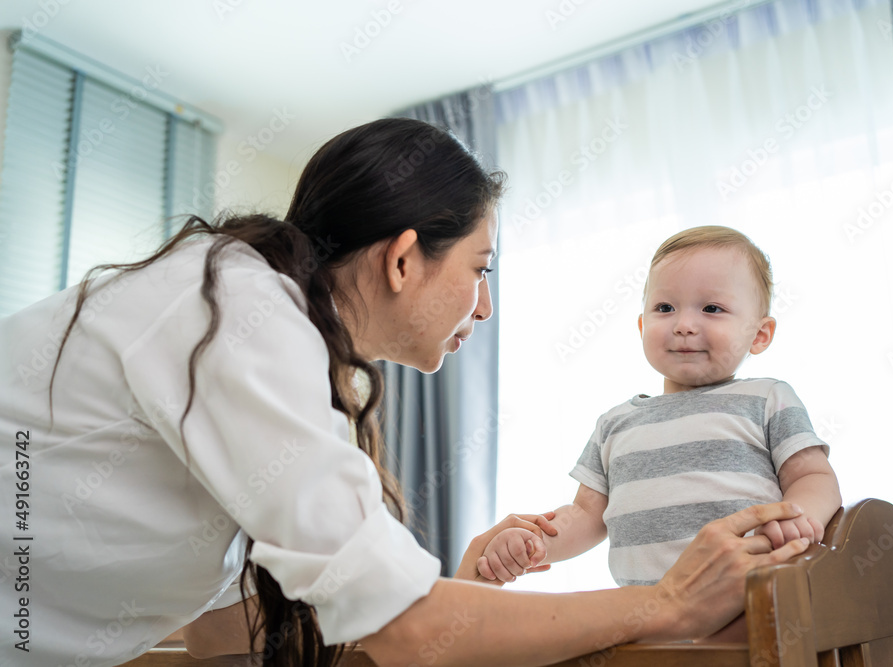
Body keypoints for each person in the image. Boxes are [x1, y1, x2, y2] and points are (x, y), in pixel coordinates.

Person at [0, 121, 812, 667]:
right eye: (480, 270)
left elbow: (239, 624)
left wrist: (446, 596)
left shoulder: (279, 345)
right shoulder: (240, 316)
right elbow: (404, 629)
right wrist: (662, 606)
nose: (485, 306)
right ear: (402, 260)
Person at [476, 227, 841, 636]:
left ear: (759, 334)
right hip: (648, 621)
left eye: (712, 309)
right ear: (640, 325)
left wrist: (800, 517)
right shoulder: (616, 424)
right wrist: (534, 544)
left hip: (751, 609)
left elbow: (812, 476)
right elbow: (585, 516)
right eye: (665, 308)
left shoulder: (767, 398)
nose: (684, 324)